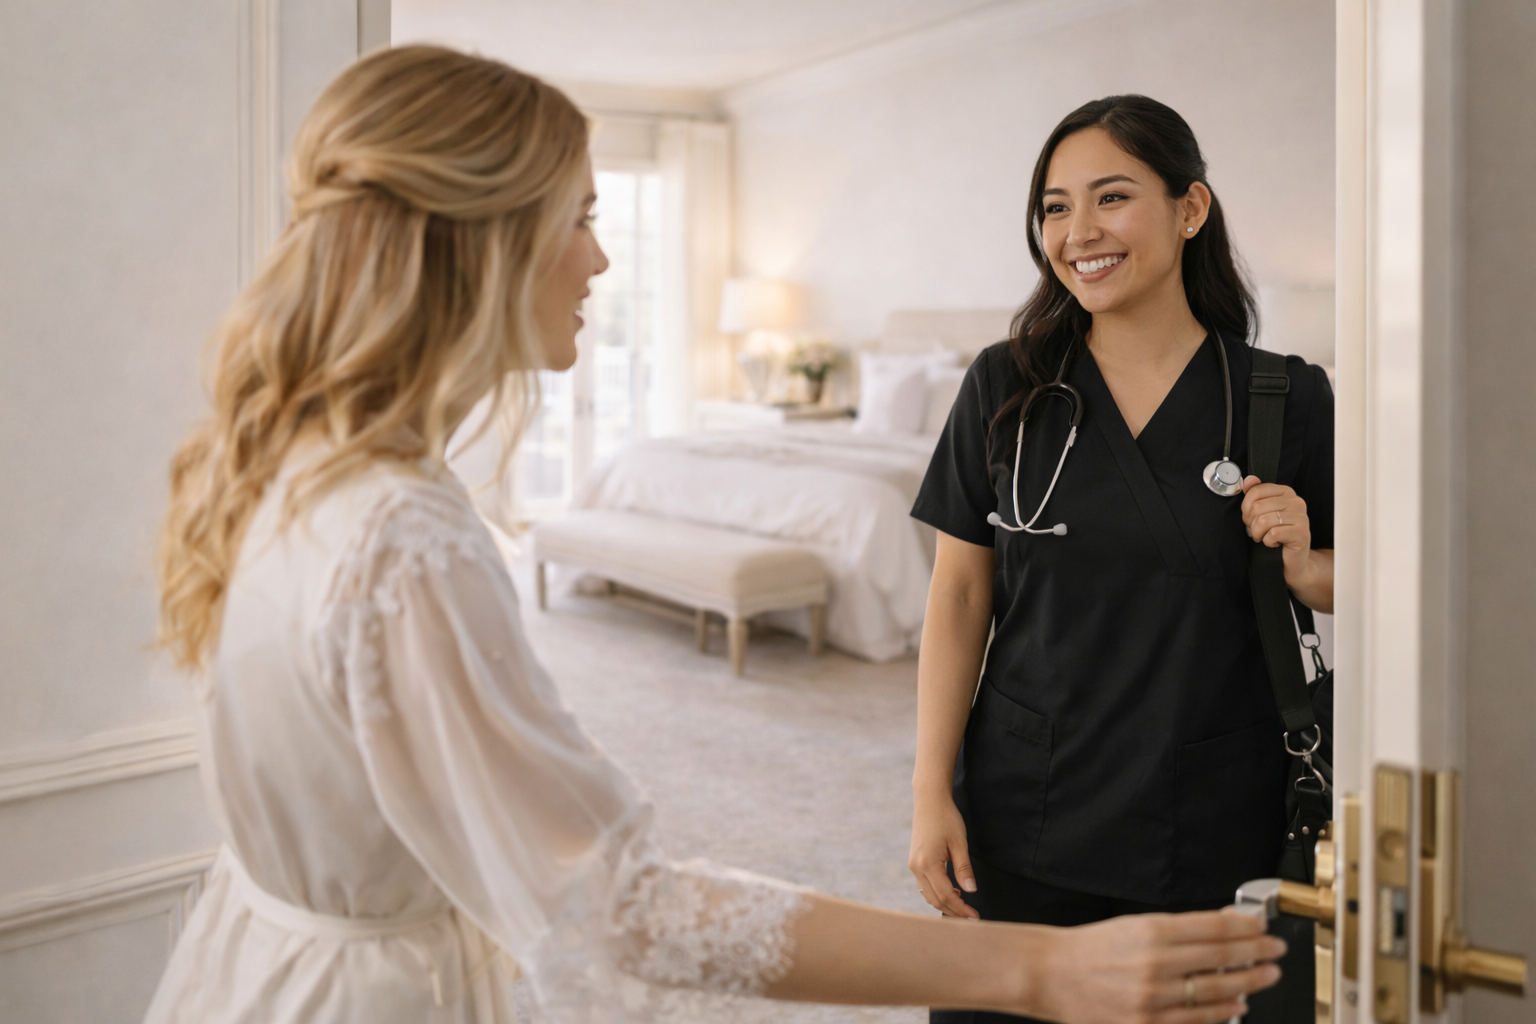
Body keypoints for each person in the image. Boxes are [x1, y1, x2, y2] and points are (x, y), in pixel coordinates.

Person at [147, 52, 1282, 1024]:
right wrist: (1040, 963)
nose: (599, 261)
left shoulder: (299, 465)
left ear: (1192, 210)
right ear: (479, 239)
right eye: (581, 219)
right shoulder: (402, 533)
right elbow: (618, 902)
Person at [908, 95, 1333, 1024]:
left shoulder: (1283, 398)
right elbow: (959, 593)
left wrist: (1306, 566)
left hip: (1213, 818)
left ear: (1190, 210)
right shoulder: (1006, 382)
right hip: (1025, 808)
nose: (1077, 232)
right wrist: (929, 791)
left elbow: (1365, 581)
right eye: (1055, 207)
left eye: (1110, 198)